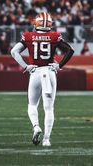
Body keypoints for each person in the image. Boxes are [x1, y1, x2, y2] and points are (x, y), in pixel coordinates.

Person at [11, 12, 74, 147]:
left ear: (37, 23)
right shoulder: (54, 36)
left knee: (32, 105)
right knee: (49, 108)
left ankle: (36, 126)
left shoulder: (28, 36)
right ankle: (46, 140)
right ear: (49, 24)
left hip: (35, 72)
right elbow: (70, 50)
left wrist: (26, 66)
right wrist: (59, 65)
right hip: (49, 72)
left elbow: (14, 52)